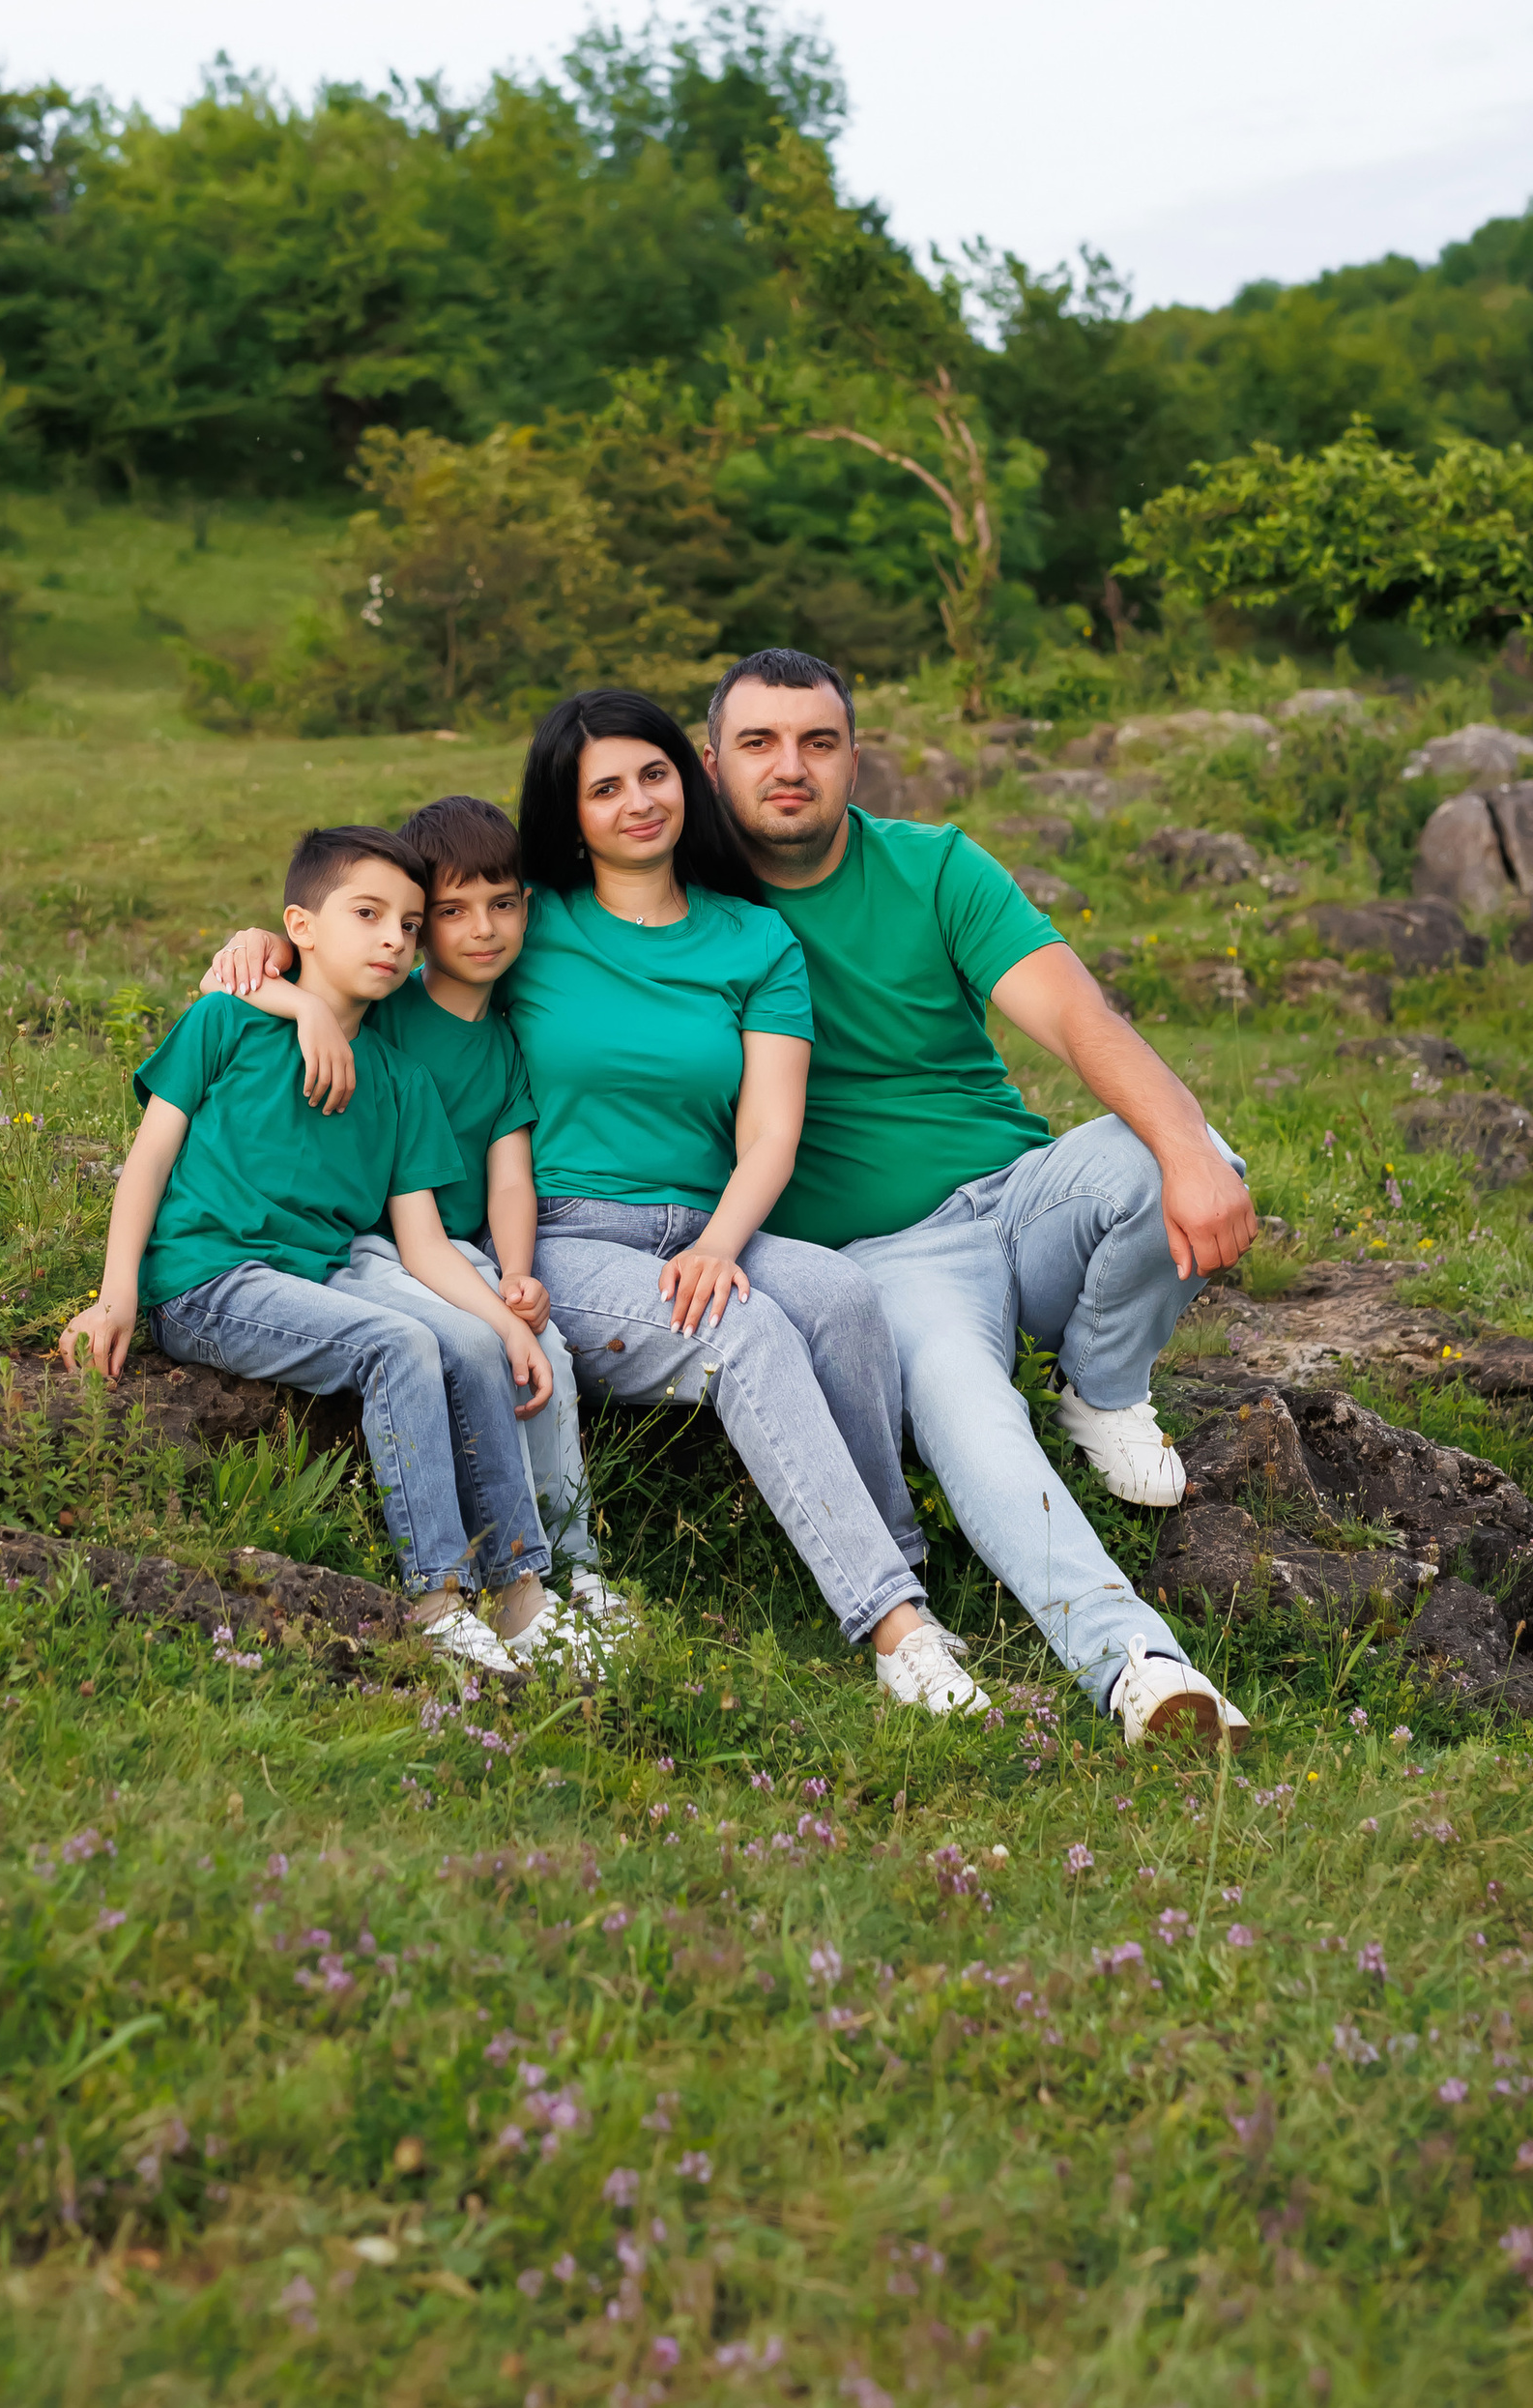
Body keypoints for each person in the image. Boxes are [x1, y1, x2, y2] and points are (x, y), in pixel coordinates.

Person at [204, 701, 978, 1717]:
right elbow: (383, 916)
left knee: (838, 1296)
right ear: (570, 814)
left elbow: (770, 1134)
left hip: (707, 1224)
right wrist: (266, 948)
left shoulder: (754, 937)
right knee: (738, 1335)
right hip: (566, 1236)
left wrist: (716, 1241)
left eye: (651, 775)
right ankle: (894, 1631)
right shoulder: (531, 919)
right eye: (603, 787)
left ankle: (898, 1570)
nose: (635, 802)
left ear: (686, 780)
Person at [700, 646, 1256, 1749]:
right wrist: (284, 945)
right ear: (710, 763)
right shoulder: (681, 908)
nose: (789, 768)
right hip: (890, 1261)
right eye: (757, 744)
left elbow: (1075, 1019)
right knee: (966, 1408)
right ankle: (1137, 1665)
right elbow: (471, 929)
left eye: (817, 742)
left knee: (1187, 1157)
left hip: (1016, 1193)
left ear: (855, 759)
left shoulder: (936, 866)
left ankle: (1100, 1387)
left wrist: (1186, 1145)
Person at [60, 824, 587, 1676]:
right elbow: (148, 1158)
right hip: (206, 1278)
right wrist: (118, 1293)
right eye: (369, 914)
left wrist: (507, 1321)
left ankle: (521, 1591)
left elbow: (424, 1247)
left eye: (411, 926)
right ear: (300, 927)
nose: (393, 939)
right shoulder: (226, 1022)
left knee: (471, 1340)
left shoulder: (401, 1082)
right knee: (400, 1343)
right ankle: (437, 1597)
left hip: (303, 1279)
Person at [213, 790, 610, 1625]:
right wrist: (279, 967)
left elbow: (509, 1178)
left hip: (452, 1246)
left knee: (542, 1349)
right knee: (467, 1345)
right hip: (368, 1238)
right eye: (452, 911)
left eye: (502, 907)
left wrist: (519, 1273)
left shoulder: (503, 1044)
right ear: (420, 924)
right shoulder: (386, 1000)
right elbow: (275, 974)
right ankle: (515, 1578)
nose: (482, 929)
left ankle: (574, 1569)